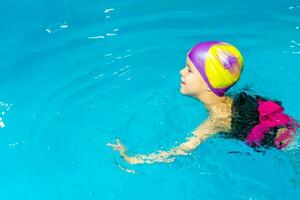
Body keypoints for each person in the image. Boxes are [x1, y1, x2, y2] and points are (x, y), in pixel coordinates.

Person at [107, 41, 299, 164]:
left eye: (189, 69)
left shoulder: (217, 120)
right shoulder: (238, 97)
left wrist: (132, 159)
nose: (181, 72)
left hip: (290, 146)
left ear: (209, 83)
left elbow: (180, 151)